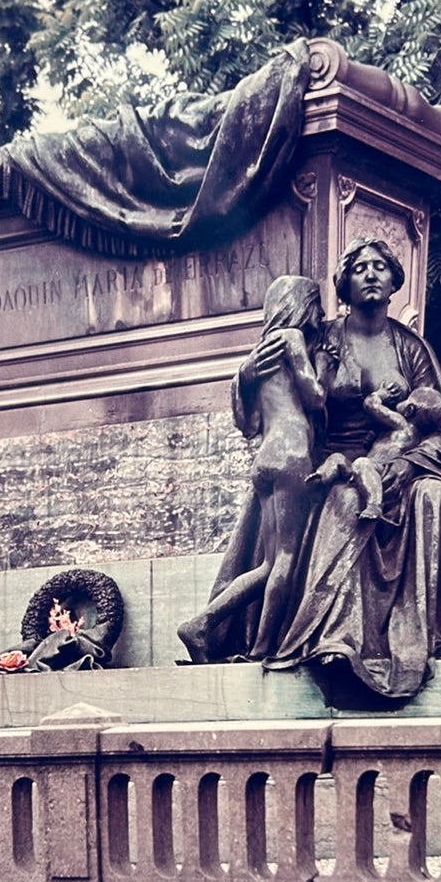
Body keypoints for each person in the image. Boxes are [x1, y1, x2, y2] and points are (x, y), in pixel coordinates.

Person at [182, 238, 441, 700]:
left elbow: (440, 426)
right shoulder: (324, 338)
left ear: (395, 278)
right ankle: (335, 639)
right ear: (343, 282)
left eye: (380, 266)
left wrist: (407, 464)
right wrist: (243, 374)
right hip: (327, 461)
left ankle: (430, 632)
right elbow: (276, 398)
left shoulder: (411, 348)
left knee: (435, 497)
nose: (371, 274)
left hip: (402, 463)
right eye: (359, 267)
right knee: (343, 502)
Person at [178, 276, 325, 661]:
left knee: (268, 564)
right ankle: (263, 647)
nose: (321, 314)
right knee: (287, 560)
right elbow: (314, 395)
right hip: (293, 454)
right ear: (301, 306)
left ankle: (200, 624)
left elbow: (249, 421)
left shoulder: (259, 354)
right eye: (316, 304)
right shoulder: (292, 340)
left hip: (264, 458)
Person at [307, 383, 441, 522]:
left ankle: (374, 504)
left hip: (379, 470)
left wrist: (381, 394)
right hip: (367, 470)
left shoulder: (400, 422)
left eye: (405, 400)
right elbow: (387, 445)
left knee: (361, 463)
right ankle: (321, 476)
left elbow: (370, 405)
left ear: (409, 410)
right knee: (338, 458)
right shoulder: (416, 438)